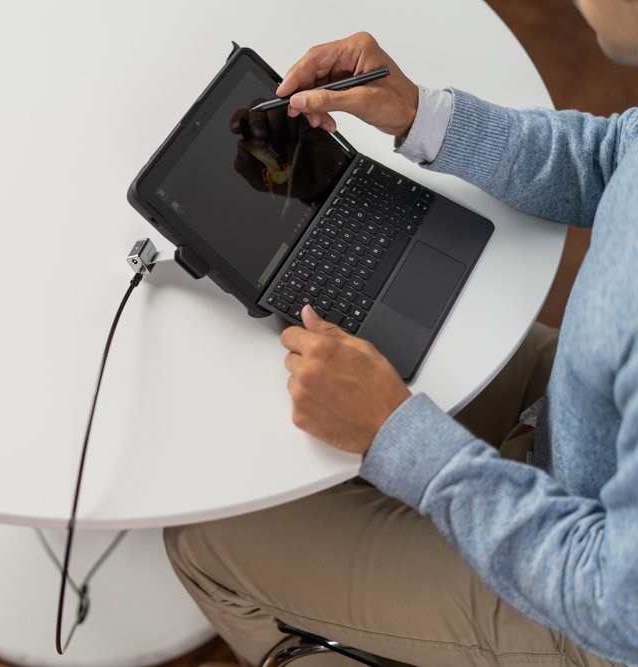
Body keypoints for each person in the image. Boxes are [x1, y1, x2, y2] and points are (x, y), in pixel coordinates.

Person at [164, 1, 638, 665]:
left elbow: (616, 602)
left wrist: (401, 436)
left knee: (202, 542)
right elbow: (612, 158)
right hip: (572, 412)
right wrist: (420, 113)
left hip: (579, 607)